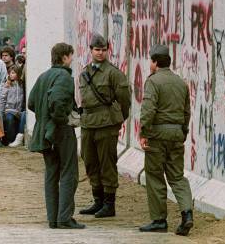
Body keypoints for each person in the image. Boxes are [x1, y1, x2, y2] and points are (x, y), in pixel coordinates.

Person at [138, 44, 194, 236]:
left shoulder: (153, 82)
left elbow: (148, 109)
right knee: (177, 176)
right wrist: (183, 131)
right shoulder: (180, 82)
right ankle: (187, 213)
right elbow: (187, 112)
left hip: (157, 135)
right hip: (177, 134)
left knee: (154, 176)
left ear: (154, 62)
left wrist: (143, 132)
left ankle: (159, 220)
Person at [28, 43, 84, 229]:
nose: (72, 60)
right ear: (65, 57)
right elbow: (58, 102)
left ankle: (53, 218)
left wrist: (45, 117)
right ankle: (65, 218)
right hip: (60, 130)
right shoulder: (64, 76)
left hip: (44, 132)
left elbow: (31, 102)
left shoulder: (43, 76)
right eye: (71, 56)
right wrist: (61, 119)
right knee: (69, 173)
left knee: (51, 174)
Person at [78, 34, 131, 219]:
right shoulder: (85, 72)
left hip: (106, 124)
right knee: (90, 160)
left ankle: (109, 204)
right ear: (90, 50)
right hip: (88, 123)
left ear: (107, 51)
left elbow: (125, 100)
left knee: (107, 162)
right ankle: (98, 200)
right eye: (97, 49)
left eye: (103, 50)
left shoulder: (114, 73)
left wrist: (117, 119)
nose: (100, 53)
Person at [0, 65, 25, 145]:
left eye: (13, 73)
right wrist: (1, 112)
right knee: (9, 118)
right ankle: (10, 140)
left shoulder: (22, 85)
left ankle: (18, 139)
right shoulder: (7, 85)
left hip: (19, 111)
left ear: (18, 73)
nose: (11, 75)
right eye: (10, 73)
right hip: (9, 110)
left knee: (24, 117)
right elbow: (2, 99)